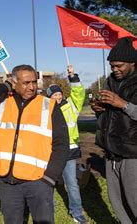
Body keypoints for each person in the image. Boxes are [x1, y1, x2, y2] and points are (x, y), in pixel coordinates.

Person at [0, 64, 69, 224]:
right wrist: (4, 87)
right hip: (7, 183)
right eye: (26, 83)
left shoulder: (48, 105)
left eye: (34, 82)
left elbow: (61, 144)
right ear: (14, 82)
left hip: (39, 182)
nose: (32, 87)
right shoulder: (2, 104)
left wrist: (50, 177)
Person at [91, 37, 137, 223]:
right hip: (111, 153)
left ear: (133, 63)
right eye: (112, 66)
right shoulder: (110, 82)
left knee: (135, 202)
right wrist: (99, 111)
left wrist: (123, 104)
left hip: (132, 155)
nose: (115, 69)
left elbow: (124, 109)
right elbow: (111, 117)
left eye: (119, 66)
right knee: (118, 203)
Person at [46, 65, 87, 223]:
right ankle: (47, 210)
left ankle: (77, 212)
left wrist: (72, 76)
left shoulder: (72, 105)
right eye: (54, 94)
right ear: (49, 97)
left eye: (59, 93)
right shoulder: (45, 110)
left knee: (72, 183)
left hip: (69, 152)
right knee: (47, 183)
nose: (57, 96)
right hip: (51, 152)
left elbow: (78, 93)